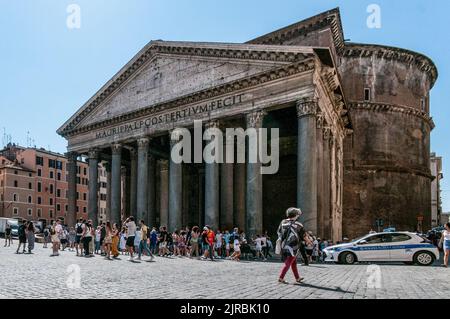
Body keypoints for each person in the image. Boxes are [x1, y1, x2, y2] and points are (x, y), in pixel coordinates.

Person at [277, 207, 312, 284]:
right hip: (293, 247)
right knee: (289, 262)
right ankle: (281, 277)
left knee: (293, 262)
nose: (298, 216)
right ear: (296, 215)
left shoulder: (283, 222)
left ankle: (297, 278)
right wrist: (309, 241)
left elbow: (279, 232)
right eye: (298, 214)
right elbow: (304, 236)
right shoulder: (298, 224)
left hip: (284, 245)